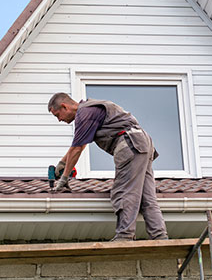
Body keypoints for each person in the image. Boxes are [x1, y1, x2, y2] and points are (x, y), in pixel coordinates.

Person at [47, 92, 168, 241]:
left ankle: (125, 236)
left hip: (130, 144)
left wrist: (64, 179)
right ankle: (160, 236)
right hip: (142, 143)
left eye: (57, 115)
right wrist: (63, 164)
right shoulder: (90, 109)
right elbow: (81, 145)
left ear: (64, 106)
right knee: (146, 195)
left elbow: (77, 148)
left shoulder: (83, 113)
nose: (59, 120)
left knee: (124, 191)